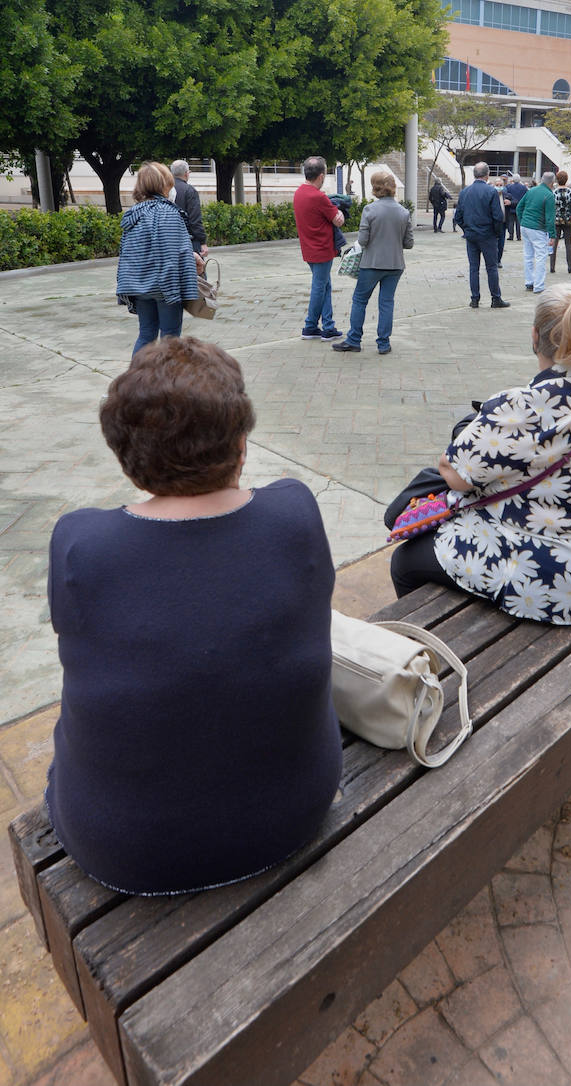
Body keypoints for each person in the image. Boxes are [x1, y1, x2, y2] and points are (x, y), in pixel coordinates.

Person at [45, 336, 342, 895]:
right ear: (241, 444)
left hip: (123, 847)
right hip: (296, 811)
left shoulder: (82, 543)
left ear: (125, 456)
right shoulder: (294, 512)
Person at [389, 285, 571, 625]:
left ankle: (442, 637)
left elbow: (453, 474)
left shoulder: (518, 407)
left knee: (405, 561)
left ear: (535, 336)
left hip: (563, 582)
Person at [116, 162, 201, 356]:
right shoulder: (169, 213)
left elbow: (132, 253)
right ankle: (166, 382)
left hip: (140, 286)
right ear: (163, 186)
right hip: (165, 287)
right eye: (170, 186)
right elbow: (172, 254)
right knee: (170, 338)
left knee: (146, 335)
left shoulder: (133, 215)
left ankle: (137, 380)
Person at [334, 170, 413, 355]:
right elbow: (409, 243)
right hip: (395, 265)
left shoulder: (370, 210)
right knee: (386, 302)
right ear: (393, 188)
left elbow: (362, 240)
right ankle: (383, 343)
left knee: (360, 300)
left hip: (372, 263)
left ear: (375, 188)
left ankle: (354, 340)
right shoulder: (404, 212)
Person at [293, 156, 345, 339]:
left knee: (324, 286)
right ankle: (310, 326)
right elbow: (338, 221)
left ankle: (328, 326)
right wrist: (339, 211)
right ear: (321, 176)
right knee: (319, 287)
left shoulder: (299, 193)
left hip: (308, 248)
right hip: (322, 249)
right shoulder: (319, 197)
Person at [453, 162, 510, 309]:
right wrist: (497, 233)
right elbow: (498, 216)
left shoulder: (464, 192)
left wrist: (466, 229)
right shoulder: (491, 192)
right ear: (487, 175)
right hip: (487, 235)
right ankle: (495, 298)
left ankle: (474, 299)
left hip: (471, 235)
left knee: (474, 268)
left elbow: (458, 216)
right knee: (491, 267)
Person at [516, 170, 556, 293]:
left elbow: (519, 207)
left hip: (525, 226)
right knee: (541, 256)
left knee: (528, 255)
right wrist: (552, 235)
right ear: (552, 182)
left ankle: (529, 282)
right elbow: (550, 217)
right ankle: (539, 286)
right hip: (538, 228)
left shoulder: (531, 191)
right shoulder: (549, 195)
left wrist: (522, 221)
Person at [170, 159, 208, 258]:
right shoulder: (189, 191)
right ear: (187, 174)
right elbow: (195, 219)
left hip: (169, 240)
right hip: (188, 240)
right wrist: (202, 241)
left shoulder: (164, 189)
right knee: (197, 270)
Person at [550, 169, 571, 275]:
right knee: (568, 243)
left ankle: (552, 266)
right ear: (566, 179)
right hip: (568, 219)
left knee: (554, 243)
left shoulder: (553, 191)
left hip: (556, 219)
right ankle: (570, 267)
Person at [502, 174, 527, 241]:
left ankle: (511, 235)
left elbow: (506, 196)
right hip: (520, 207)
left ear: (513, 179)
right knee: (519, 223)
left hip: (511, 206)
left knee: (511, 222)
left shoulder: (509, 187)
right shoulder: (524, 187)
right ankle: (519, 236)